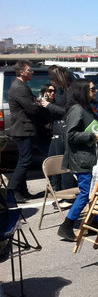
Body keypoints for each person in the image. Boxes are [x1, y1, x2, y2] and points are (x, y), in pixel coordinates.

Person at [57, 79, 98, 242]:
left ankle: (94, 223)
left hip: (90, 156)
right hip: (81, 158)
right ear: (83, 91)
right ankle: (67, 225)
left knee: (93, 192)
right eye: (92, 89)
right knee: (86, 192)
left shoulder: (87, 108)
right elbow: (69, 135)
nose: (95, 91)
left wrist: (96, 133)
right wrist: (91, 135)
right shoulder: (76, 109)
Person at [8, 60, 41, 203]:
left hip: (25, 128)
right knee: (25, 160)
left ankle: (22, 191)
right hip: (22, 129)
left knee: (24, 160)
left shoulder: (22, 86)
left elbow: (31, 105)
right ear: (22, 72)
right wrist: (37, 104)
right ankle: (13, 190)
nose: (32, 72)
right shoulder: (19, 87)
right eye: (29, 70)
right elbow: (33, 108)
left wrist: (34, 103)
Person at [41, 65, 76, 191]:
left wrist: (49, 105)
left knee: (62, 164)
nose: (51, 82)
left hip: (64, 131)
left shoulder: (71, 90)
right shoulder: (63, 90)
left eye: (52, 79)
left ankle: (64, 190)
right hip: (57, 131)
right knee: (53, 161)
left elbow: (67, 111)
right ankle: (55, 188)